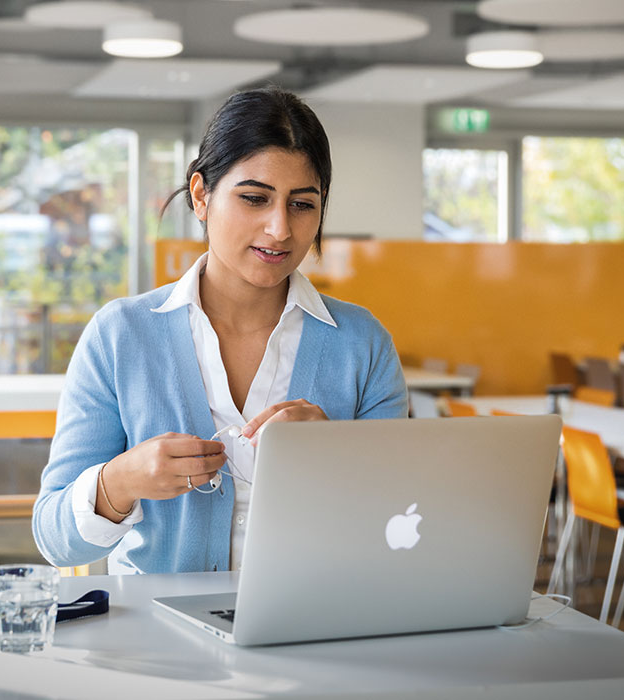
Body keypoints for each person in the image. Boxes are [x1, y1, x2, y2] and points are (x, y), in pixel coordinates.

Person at [33, 87, 408, 574]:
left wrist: (334, 459)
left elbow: (399, 525)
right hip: (158, 637)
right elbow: (55, 540)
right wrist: (118, 482)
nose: (280, 229)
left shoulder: (362, 343)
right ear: (201, 196)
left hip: (315, 624)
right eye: (254, 198)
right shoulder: (119, 335)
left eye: (302, 205)